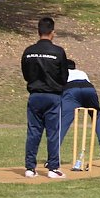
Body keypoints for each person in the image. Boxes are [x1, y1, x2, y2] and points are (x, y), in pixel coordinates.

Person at [21, 17, 68, 179]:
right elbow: (64, 76)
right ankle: (53, 168)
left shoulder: (28, 51)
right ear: (52, 33)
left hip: (35, 96)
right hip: (52, 96)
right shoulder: (58, 52)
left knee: (33, 132)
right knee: (53, 133)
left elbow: (26, 74)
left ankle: (29, 168)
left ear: (38, 31)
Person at [60, 59, 100, 159]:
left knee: (64, 121)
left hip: (71, 91)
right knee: (96, 115)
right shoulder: (82, 73)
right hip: (89, 89)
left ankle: (54, 153)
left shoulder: (62, 73)